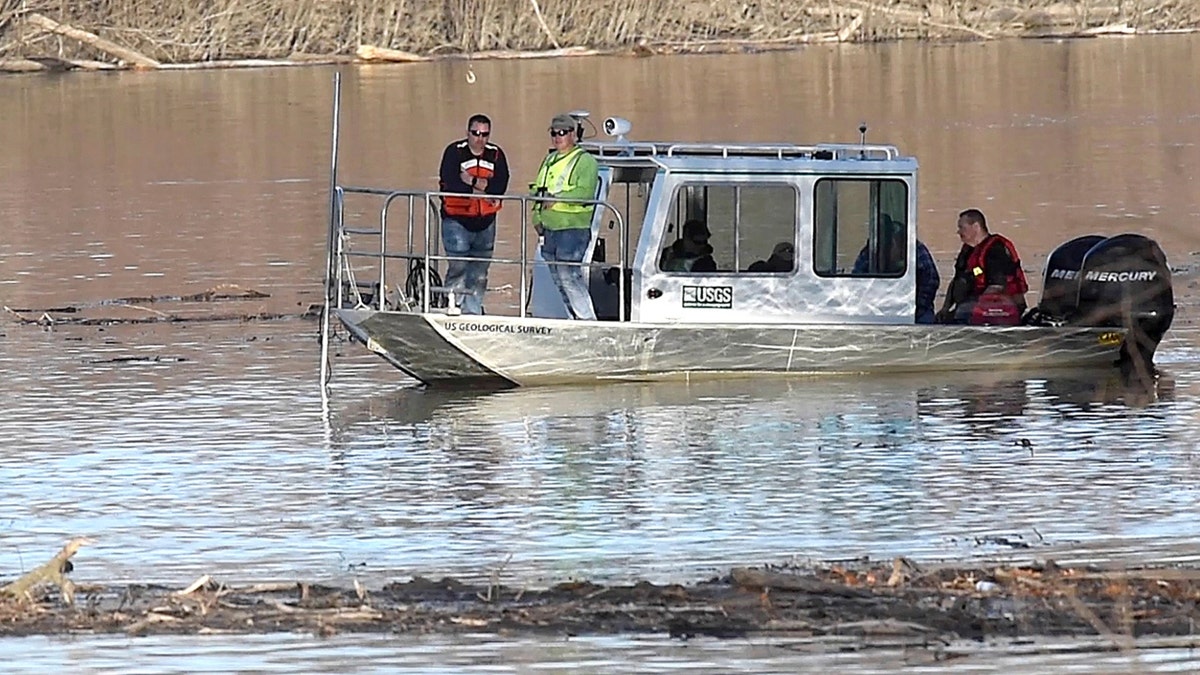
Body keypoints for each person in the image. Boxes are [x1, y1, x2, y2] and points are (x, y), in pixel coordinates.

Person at [438, 114, 510, 315]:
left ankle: (474, 311)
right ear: (467, 133)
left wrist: (472, 181)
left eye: (485, 134)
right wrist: (481, 187)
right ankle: (454, 306)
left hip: (486, 222)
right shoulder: (454, 152)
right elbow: (451, 182)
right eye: (475, 133)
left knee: (479, 273)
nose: (480, 138)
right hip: (456, 220)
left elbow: (500, 185)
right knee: (458, 266)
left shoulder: (496, 155)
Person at [531, 113, 600, 320]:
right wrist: (536, 218)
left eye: (563, 132)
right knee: (558, 278)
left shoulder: (585, 161)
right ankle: (574, 318)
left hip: (573, 229)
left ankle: (588, 320)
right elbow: (538, 190)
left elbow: (585, 193)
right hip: (549, 230)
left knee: (569, 276)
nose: (557, 137)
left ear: (574, 135)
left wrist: (557, 199)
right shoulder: (549, 159)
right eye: (554, 133)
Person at [935, 208, 1028, 324]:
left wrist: (975, 308)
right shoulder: (968, 250)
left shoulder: (996, 249)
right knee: (941, 320)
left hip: (998, 310)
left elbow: (997, 287)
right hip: (969, 307)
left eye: (961, 228)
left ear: (976, 227)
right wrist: (945, 308)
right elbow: (956, 281)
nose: (958, 232)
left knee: (961, 315)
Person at [851, 217, 940, 323]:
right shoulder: (869, 251)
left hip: (917, 309)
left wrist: (917, 306)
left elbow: (931, 279)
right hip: (877, 308)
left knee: (925, 324)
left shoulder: (915, 249)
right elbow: (857, 277)